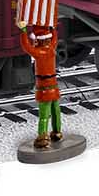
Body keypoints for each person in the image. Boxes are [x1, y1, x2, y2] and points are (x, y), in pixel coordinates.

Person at [18, 19, 64, 147]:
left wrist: (23, 30)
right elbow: (55, 38)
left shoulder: (38, 53)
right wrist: (53, 28)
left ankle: (42, 137)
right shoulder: (52, 49)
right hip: (54, 87)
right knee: (56, 111)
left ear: (39, 40)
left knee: (44, 115)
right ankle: (57, 132)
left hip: (43, 89)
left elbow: (26, 46)